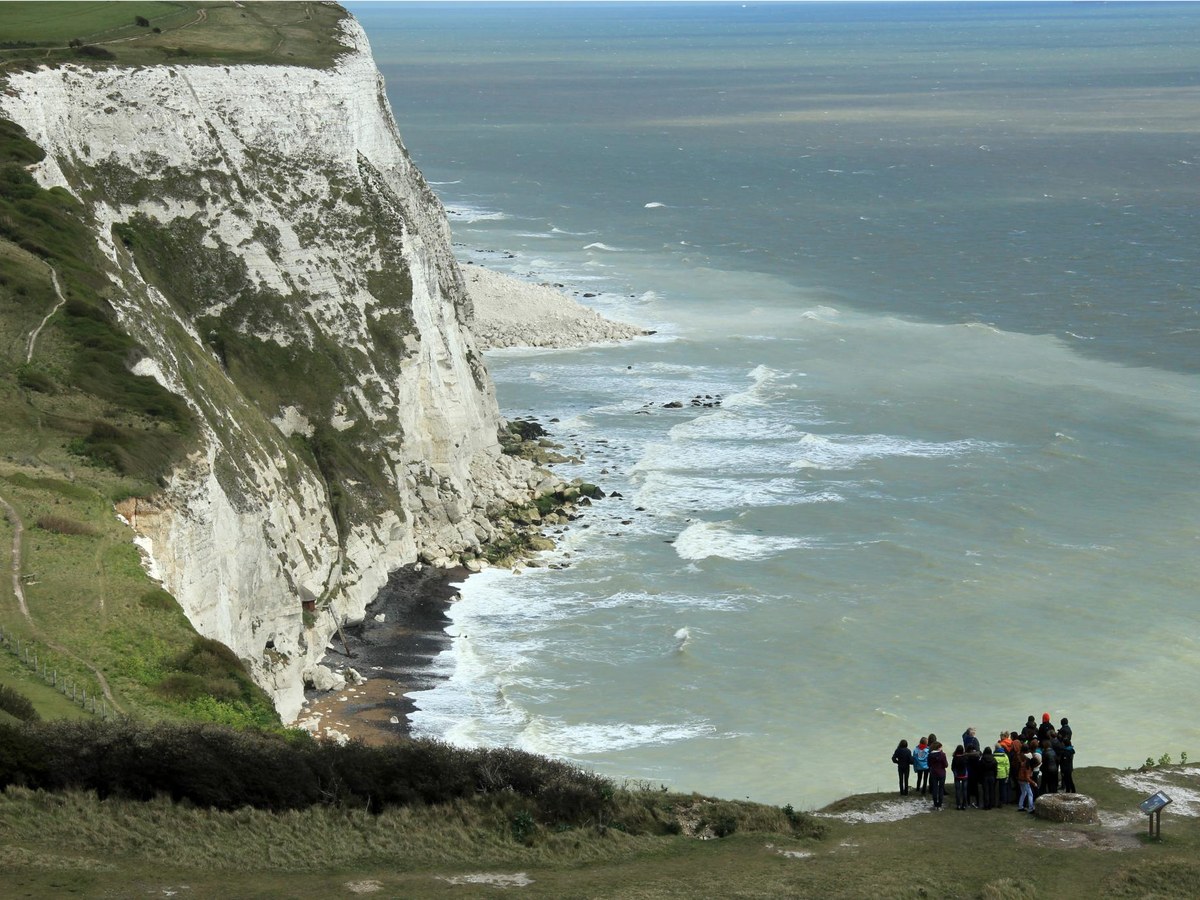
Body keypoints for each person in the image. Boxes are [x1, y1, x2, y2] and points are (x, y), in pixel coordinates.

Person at [928, 741, 948, 810]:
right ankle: (939, 804)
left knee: (935, 789)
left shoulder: (930, 755)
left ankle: (935, 804)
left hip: (933, 773)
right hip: (941, 773)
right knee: (941, 788)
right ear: (938, 748)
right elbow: (946, 765)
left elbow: (929, 764)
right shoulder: (942, 755)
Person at [1017, 748, 1037, 812]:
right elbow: (1027, 778)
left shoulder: (1025, 763)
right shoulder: (1028, 768)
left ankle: (1020, 806)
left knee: (1023, 793)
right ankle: (1031, 809)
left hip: (1020, 780)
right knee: (1030, 794)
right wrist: (1034, 783)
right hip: (1024, 781)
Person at [952, 745, 970, 810]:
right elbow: (967, 766)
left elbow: (952, 767)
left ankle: (958, 805)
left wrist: (955, 773)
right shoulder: (965, 757)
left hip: (957, 775)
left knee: (958, 790)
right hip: (964, 775)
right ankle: (964, 805)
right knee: (964, 790)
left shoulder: (955, 758)